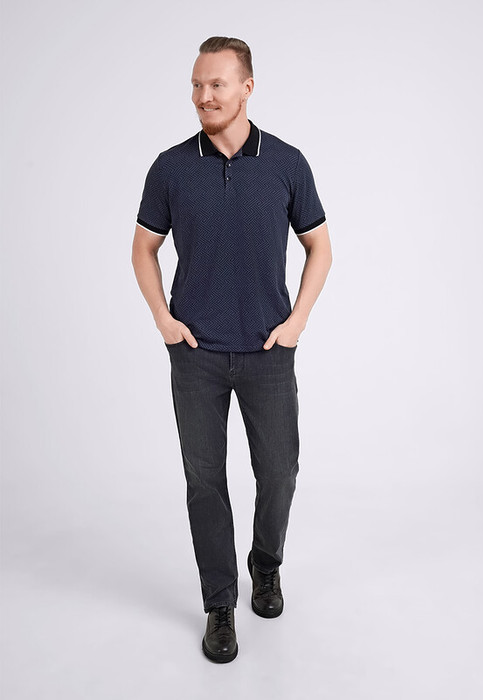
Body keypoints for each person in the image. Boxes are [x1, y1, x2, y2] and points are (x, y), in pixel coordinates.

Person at [131, 36, 332, 663]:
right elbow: (144, 247)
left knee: (280, 471)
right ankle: (219, 603)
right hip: (195, 353)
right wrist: (163, 319)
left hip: (269, 349)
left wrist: (297, 321)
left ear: (247, 87)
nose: (204, 96)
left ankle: (265, 564)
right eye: (196, 84)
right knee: (204, 481)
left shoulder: (287, 163)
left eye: (216, 84)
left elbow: (320, 246)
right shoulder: (170, 167)